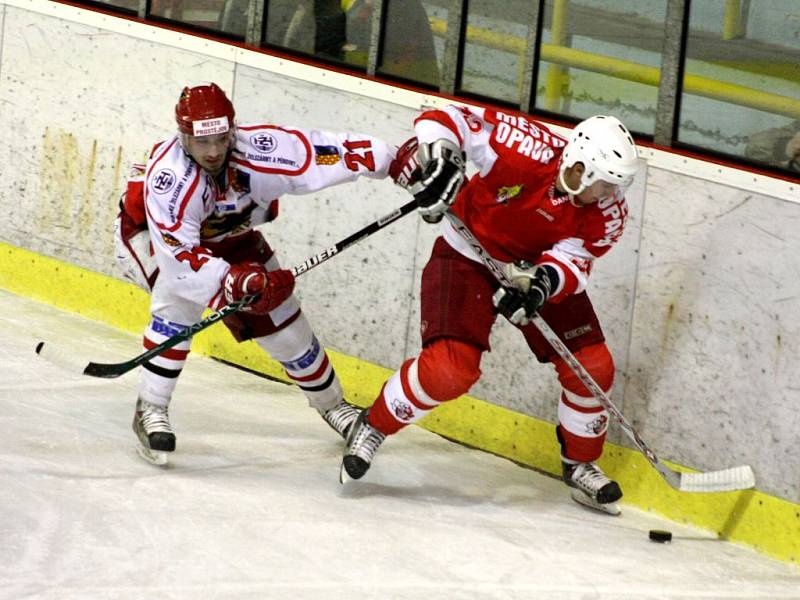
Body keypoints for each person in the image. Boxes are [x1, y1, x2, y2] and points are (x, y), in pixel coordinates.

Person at [341, 105, 639, 515]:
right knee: (449, 369)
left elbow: (574, 261)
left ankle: (581, 464)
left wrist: (540, 286)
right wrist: (442, 158)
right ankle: (372, 425)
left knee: (592, 367)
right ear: (581, 166)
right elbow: (445, 117)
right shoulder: (525, 146)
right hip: (467, 252)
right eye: (604, 184)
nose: (610, 195)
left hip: (529, 271)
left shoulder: (608, 213)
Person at [114, 83, 408, 465]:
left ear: (232, 130)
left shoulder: (260, 148)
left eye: (221, 138)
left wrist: (391, 160)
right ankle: (150, 408)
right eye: (203, 143)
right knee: (178, 307)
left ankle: (334, 406)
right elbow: (180, 259)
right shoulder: (169, 180)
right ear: (183, 137)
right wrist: (232, 283)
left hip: (229, 236)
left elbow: (321, 152)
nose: (215, 151)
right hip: (155, 240)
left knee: (285, 326)